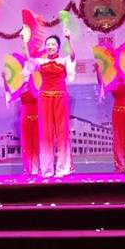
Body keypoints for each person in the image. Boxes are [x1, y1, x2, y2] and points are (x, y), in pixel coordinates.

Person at [23, 30, 76, 178]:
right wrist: (24, 41)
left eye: (53, 44)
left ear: (58, 47)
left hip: (60, 98)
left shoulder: (63, 61)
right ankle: (47, 169)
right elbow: (27, 58)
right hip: (45, 99)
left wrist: (68, 39)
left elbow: (73, 56)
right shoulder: (41, 62)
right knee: (45, 133)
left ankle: (62, 168)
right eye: (48, 44)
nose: (50, 46)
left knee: (62, 132)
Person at [94, 48, 125, 174]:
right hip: (117, 111)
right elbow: (101, 83)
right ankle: (120, 165)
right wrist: (98, 70)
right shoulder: (113, 81)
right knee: (118, 138)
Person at [3, 69, 40, 176]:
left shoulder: (36, 86)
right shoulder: (22, 87)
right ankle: (27, 169)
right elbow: (10, 94)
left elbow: (37, 95)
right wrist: (4, 79)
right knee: (27, 144)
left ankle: (37, 168)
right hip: (25, 118)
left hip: (36, 118)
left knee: (37, 144)